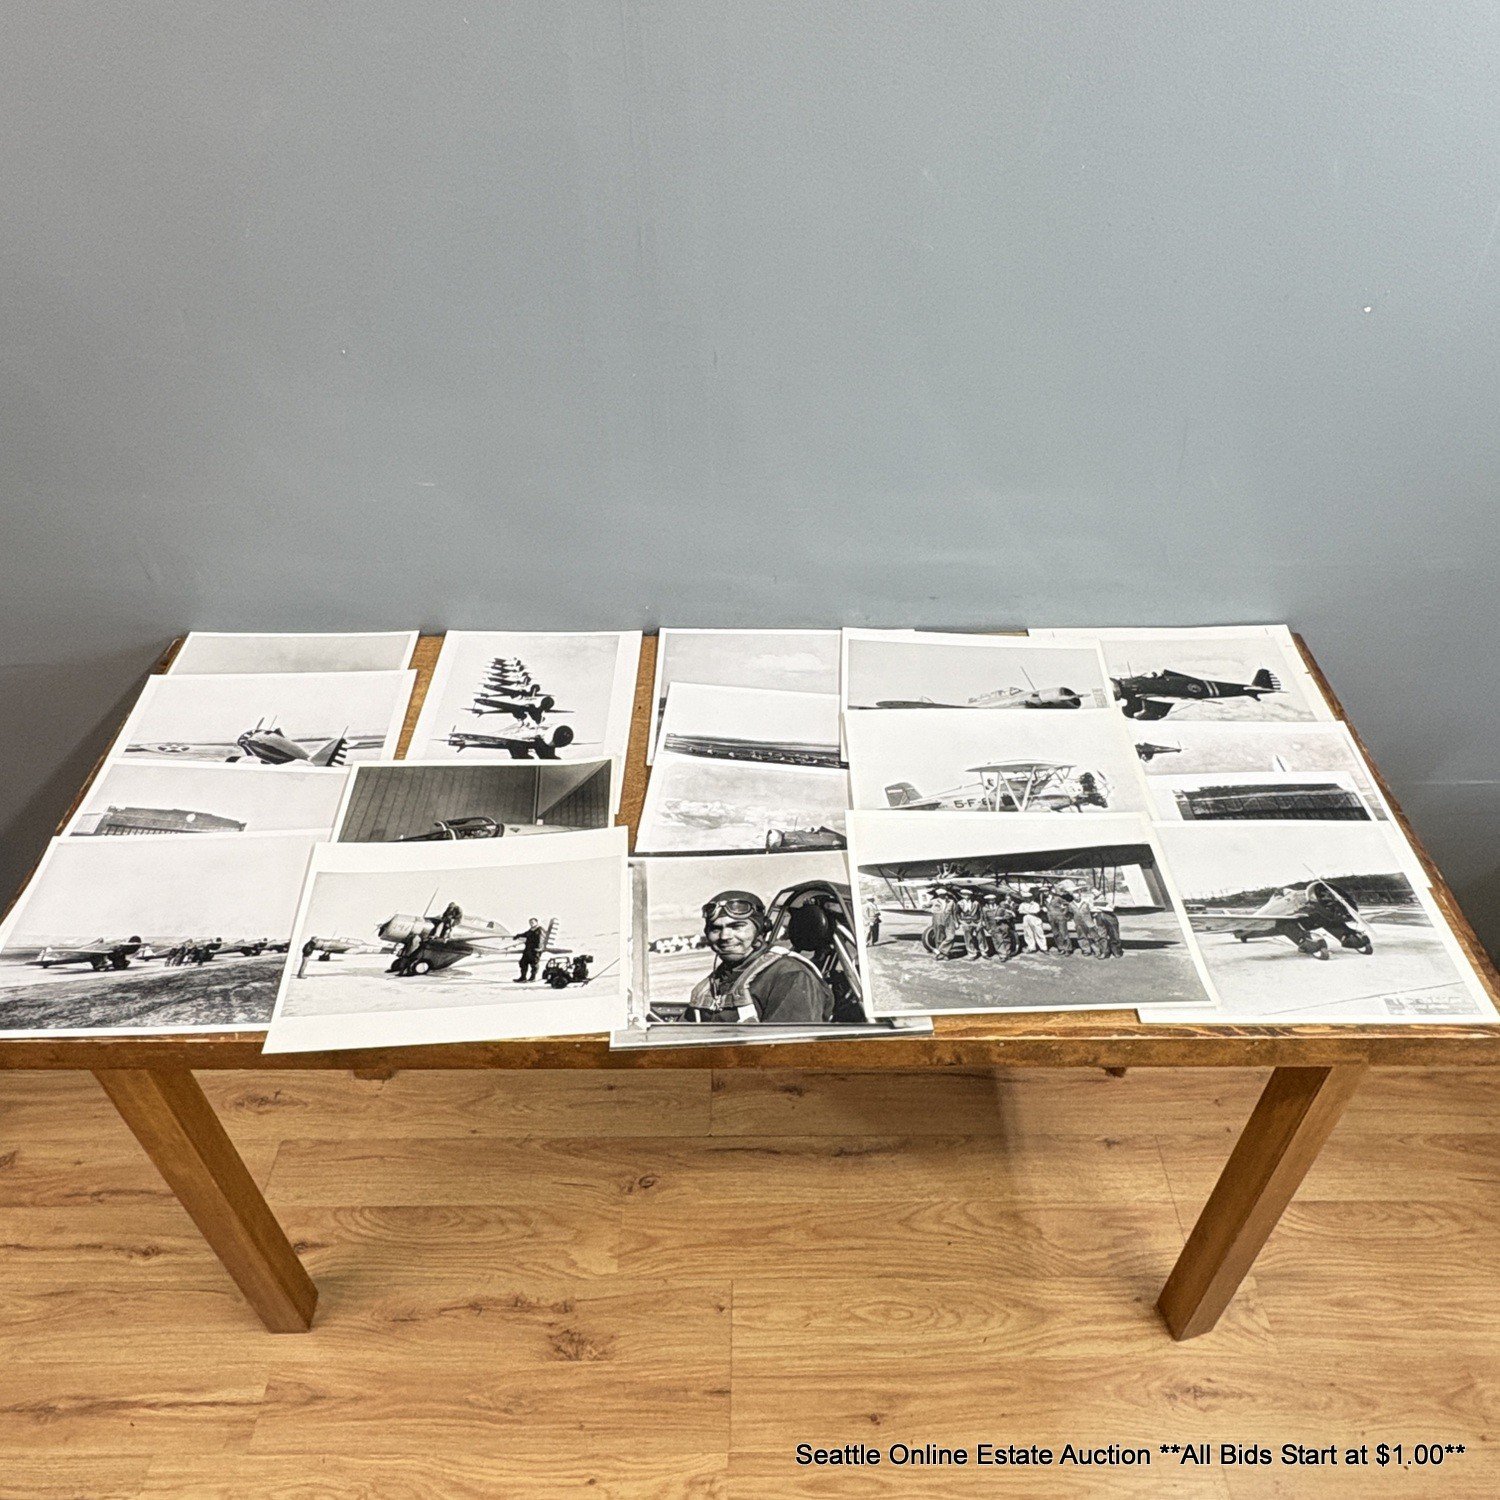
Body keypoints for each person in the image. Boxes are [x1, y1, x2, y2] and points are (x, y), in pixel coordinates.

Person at [684, 890, 835, 1024]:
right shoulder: (718, 979)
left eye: (737, 926)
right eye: (715, 929)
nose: (725, 936)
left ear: (761, 929)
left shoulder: (791, 975)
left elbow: (790, 1044)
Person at [980, 892, 1014, 960]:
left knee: (1006, 939)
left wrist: (1001, 918)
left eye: (992, 900)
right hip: (993, 927)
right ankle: (1002, 955)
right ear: (987, 901)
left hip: (1003, 926)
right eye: (989, 900)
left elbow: (1008, 915)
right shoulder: (984, 909)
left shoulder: (1000, 907)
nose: (991, 901)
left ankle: (1007, 953)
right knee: (997, 941)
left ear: (995, 900)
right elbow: (985, 920)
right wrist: (988, 929)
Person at [927, 886, 958, 961]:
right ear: (938, 894)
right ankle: (944, 954)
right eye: (940, 894)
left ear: (945, 894)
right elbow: (924, 907)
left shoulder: (951, 902)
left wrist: (956, 922)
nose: (942, 895)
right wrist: (931, 911)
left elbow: (954, 913)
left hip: (949, 918)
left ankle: (939, 950)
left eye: (943, 894)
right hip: (937, 918)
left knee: (951, 936)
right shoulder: (934, 901)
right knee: (939, 937)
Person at [1092, 887, 1123, 958]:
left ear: (1100, 891)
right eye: (1092, 892)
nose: (1093, 893)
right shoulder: (1093, 900)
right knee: (1102, 935)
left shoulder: (1106, 898)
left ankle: (1116, 951)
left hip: (1110, 918)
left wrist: (1099, 908)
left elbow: (1111, 908)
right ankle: (1104, 952)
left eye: (1094, 892)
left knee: (1114, 935)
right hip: (1099, 919)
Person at [1045, 885, 1075, 957]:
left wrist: (1064, 912)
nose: (1044, 893)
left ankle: (1068, 949)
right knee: (1056, 934)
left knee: (1063, 933)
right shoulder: (1044, 900)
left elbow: (1067, 904)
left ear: (1049, 891)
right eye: (1042, 891)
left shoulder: (1057, 898)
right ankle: (1061, 948)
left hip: (1060, 918)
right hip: (1051, 919)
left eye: (1045, 891)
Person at [955, 888, 984, 961]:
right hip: (966, 922)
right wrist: (960, 921)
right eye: (965, 895)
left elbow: (980, 913)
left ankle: (984, 952)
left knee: (981, 937)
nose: (967, 896)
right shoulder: (959, 903)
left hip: (976, 921)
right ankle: (972, 954)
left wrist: (980, 922)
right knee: (968, 938)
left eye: (968, 895)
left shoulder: (976, 903)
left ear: (970, 895)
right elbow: (957, 913)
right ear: (962, 895)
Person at [516, 917, 545, 983]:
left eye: (532, 922)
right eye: (530, 922)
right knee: (523, 962)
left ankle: (532, 978)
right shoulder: (531, 930)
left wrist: (538, 948)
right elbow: (526, 934)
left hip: (535, 950)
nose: (531, 923)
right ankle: (523, 977)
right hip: (528, 949)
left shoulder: (539, 930)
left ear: (536, 922)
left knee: (534, 964)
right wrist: (518, 935)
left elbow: (541, 939)